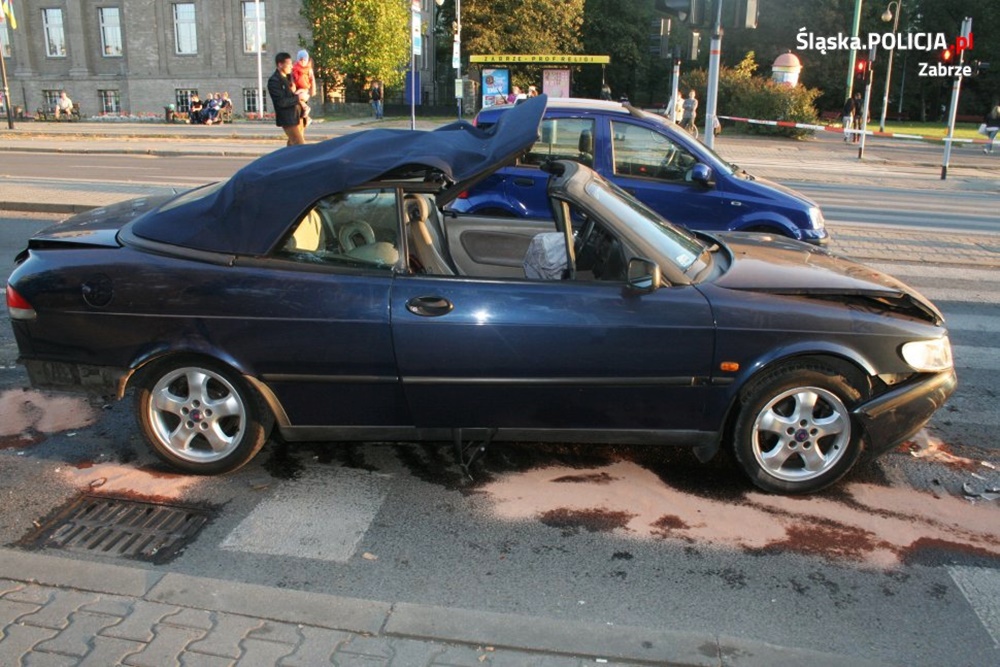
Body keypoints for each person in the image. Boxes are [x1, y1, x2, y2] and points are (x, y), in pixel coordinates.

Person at [268, 52, 307, 145]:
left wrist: (300, 93)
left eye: (291, 64)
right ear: (280, 64)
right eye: (288, 64)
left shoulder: (290, 78)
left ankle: (286, 159)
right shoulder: (274, 81)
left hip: (298, 116)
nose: (291, 66)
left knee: (292, 145)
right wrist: (298, 97)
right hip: (288, 119)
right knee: (300, 144)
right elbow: (281, 102)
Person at [292, 50, 316, 127]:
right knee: (297, 99)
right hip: (298, 88)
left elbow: (312, 80)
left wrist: (313, 91)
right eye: (300, 59)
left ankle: (306, 108)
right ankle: (307, 117)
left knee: (296, 97)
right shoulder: (295, 68)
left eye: (304, 60)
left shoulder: (309, 69)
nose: (302, 61)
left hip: (305, 88)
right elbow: (293, 79)